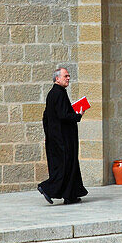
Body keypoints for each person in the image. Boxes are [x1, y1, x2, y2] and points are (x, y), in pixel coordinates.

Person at [36, 66, 87, 204]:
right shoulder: (58, 93)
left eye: (68, 76)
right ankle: (47, 188)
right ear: (57, 79)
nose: (68, 78)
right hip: (63, 139)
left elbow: (46, 117)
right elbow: (63, 115)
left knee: (68, 165)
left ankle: (70, 195)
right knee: (64, 166)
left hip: (58, 138)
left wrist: (48, 134)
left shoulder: (56, 93)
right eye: (66, 76)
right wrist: (77, 115)